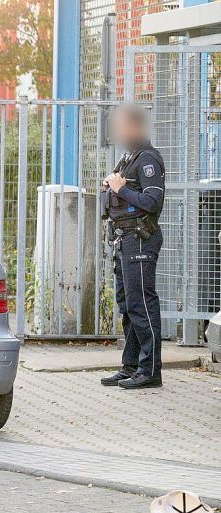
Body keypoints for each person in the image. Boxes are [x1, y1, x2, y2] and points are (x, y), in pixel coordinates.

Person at [99, 104, 166, 390]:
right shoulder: (129, 157)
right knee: (128, 305)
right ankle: (131, 366)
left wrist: (120, 189)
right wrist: (112, 186)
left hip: (140, 237)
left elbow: (152, 202)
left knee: (142, 305)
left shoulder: (148, 158)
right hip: (123, 238)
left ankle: (150, 370)